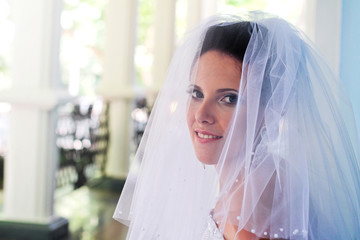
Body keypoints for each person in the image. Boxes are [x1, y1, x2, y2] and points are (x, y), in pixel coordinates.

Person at [114, 12, 360, 239]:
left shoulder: (249, 204)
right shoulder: (265, 177)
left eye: (229, 98)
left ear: (273, 109)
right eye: (196, 93)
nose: (202, 114)